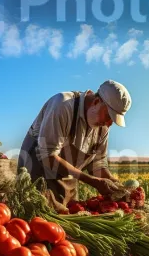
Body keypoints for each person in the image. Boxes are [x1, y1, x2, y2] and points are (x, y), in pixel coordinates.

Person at [18, 80, 132, 211]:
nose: (109, 123)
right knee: (39, 220)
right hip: (38, 175)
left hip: (67, 182)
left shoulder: (103, 125)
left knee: (68, 220)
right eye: (109, 116)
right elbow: (48, 156)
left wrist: (118, 187)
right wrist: (93, 181)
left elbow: (98, 164)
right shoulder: (63, 105)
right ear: (96, 102)